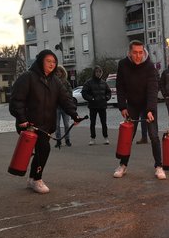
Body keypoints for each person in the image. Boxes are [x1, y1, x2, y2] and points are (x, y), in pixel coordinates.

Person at [9, 50, 80, 194]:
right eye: (48, 61)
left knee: (42, 150)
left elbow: (65, 99)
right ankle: (37, 179)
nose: (52, 64)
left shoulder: (55, 82)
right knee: (44, 149)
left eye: (54, 62)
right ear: (41, 61)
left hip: (46, 125)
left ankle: (32, 179)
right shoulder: (27, 77)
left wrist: (74, 114)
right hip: (30, 124)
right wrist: (22, 119)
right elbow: (17, 100)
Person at [113, 40, 166, 180]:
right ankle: (123, 165)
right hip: (132, 104)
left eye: (140, 52)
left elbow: (153, 89)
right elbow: (120, 86)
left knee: (154, 135)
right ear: (130, 52)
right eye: (135, 53)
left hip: (147, 104)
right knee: (127, 136)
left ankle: (159, 166)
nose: (138, 56)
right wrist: (122, 106)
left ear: (144, 52)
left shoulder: (149, 66)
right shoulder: (123, 65)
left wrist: (150, 109)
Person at [81, 65, 111, 145]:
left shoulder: (104, 83)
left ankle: (106, 137)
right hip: (93, 106)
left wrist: (106, 97)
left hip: (102, 106)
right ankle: (92, 138)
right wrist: (91, 98)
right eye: (97, 71)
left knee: (104, 123)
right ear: (94, 72)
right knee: (92, 123)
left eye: (100, 72)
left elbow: (108, 92)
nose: (98, 73)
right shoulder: (88, 82)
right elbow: (84, 93)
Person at [54, 65, 73, 148]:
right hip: (56, 107)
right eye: (57, 72)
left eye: (59, 72)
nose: (58, 73)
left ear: (62, 73)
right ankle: (58, 140)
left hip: (64, 107)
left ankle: (67, 139)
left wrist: (64, 97)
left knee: (66, 124)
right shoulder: (52, 82)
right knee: (56, 125)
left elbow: (70, 93)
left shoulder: (66, 82)